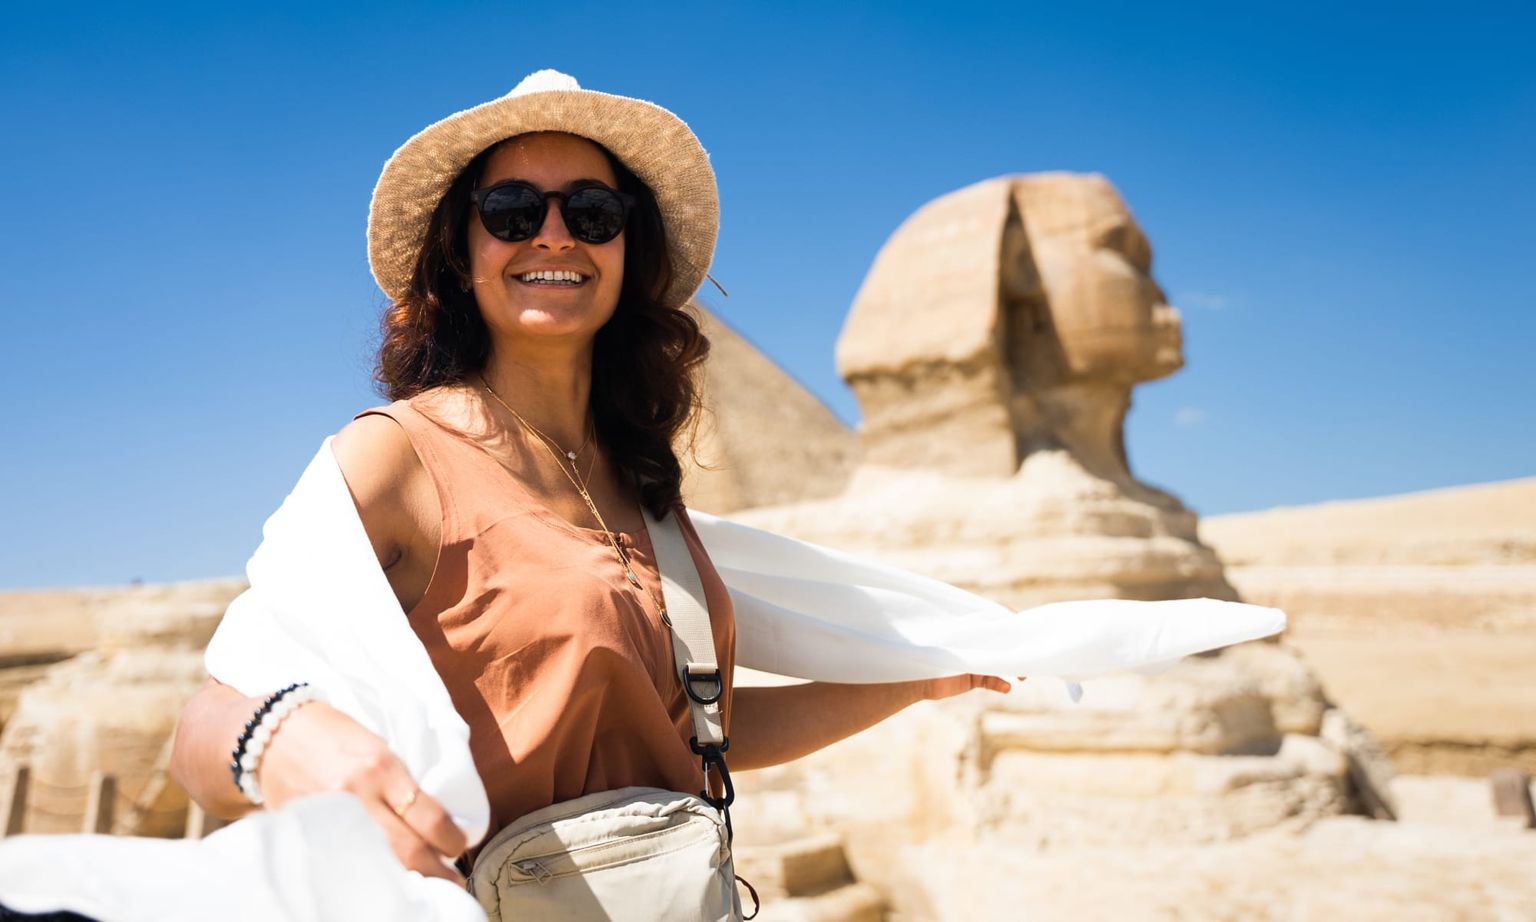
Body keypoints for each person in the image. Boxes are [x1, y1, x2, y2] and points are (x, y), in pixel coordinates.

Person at [166, 69, 1012, 896]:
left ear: (626, 249)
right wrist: (282, 741)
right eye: (512, 212)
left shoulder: (643, 488)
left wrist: (917, 675)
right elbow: (209, 722)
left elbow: (695, 729)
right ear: (461, 251)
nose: (555, 236)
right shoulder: (397, 460)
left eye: (594, 212)